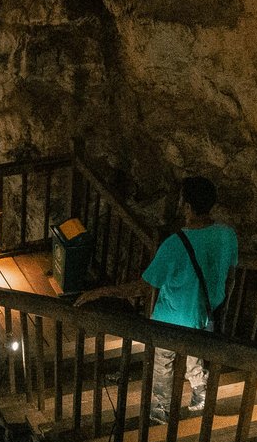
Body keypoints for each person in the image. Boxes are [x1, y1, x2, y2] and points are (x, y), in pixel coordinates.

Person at [74, 176, 238, 423]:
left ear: (187, 206)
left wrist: (99, 292)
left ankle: (163, 407)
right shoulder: (227, 235)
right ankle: (200, 393)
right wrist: (218, 304)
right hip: (205, 314)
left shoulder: (175, 244)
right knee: (195, 350)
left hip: (171, 319)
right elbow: (230, 275)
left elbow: (144, 287)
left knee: (163, 363)